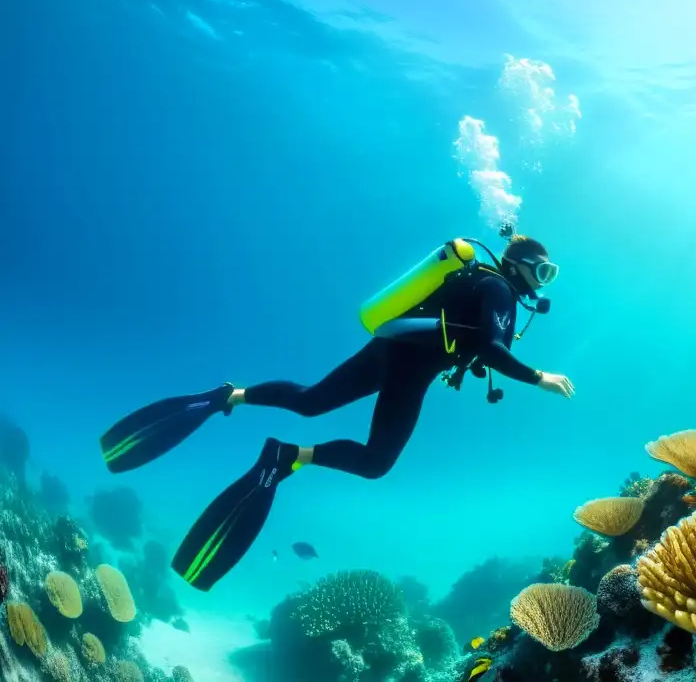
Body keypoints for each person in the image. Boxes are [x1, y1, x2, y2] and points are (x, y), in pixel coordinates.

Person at [99, 230, 573, 591]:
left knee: (310, 400)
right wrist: (540, 378)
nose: (542, 282)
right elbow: (490, 349)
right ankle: (286, 456)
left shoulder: (480, 282)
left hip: (391, 349)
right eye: (543, 271)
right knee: (375, 462)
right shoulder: (501, 291)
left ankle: (230, 396)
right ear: (520, 266)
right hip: (410, 366)